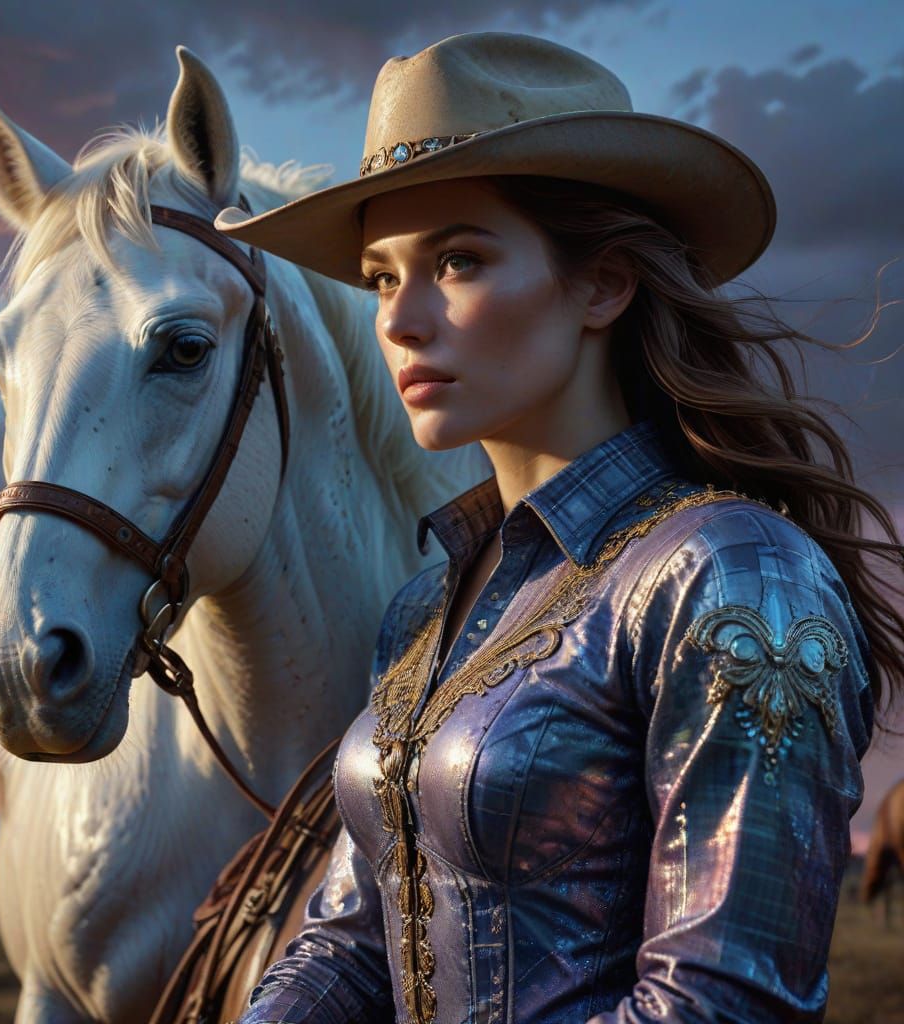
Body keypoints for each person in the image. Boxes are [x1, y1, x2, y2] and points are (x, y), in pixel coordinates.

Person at [212, 31, 904, 1024]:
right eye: (376, 276)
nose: (401, 319)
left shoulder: (731, 577)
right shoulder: (424, 607)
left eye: (456, 259)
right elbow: (351, 939)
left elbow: (719, 1006)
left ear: (603, 284)